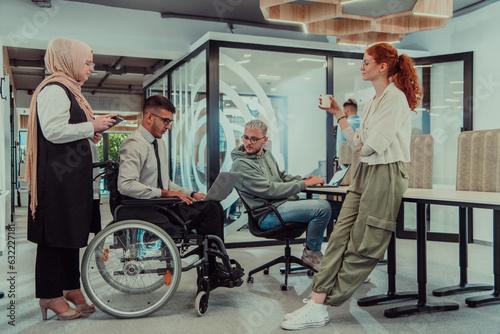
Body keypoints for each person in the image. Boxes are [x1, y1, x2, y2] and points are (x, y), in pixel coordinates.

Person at [281, 42, 422, 330]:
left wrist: (361, 142)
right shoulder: (371, 102)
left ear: (382, 66)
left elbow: (369, 146)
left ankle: (324, 302)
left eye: (366, 61)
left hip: (386, 174)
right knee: (340, 236)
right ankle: (317, 302)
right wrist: (339, 115)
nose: (362, 66)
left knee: (363, 244)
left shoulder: (395, 99)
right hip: (366, 172)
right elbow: (360, 146)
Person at [25, 37, 117, 321]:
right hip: (56, 181)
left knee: (68, 235)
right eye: (87, 62)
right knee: (54, 237)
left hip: (70, 180)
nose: (91, 68)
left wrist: (89, 132)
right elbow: (53, 131)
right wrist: (93, 125)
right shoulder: (54, 89)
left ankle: (69, 287)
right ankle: (49, 295)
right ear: (69, 60)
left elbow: (67, 130)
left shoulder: (71, 90)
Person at [118, 94, 243, 283]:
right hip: (146, 210)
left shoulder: (158, 142)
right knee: (210, 210)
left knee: (212, 204)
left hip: (161, 205)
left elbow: (165, 183)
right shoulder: (134, 144)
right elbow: (125, 185)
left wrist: (191, 193)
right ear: (149, 117)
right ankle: (213, 269)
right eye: (165, 120)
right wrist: (167, 193)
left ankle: (212, 264)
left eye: (170, 121)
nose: (168, 126)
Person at [231, 119, 332, 271]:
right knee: (322, 208)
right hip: (268, 214)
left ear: (264, 140)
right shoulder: (240, 164)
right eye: (246, 137)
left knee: (334, 206)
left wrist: (304, 180)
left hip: (281, 205)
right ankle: (312, 254)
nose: (248, 142)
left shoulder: (266, 155)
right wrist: (303, 185)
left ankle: (338, 257)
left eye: (254, 139)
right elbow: (270, 190)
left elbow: (282, 177)